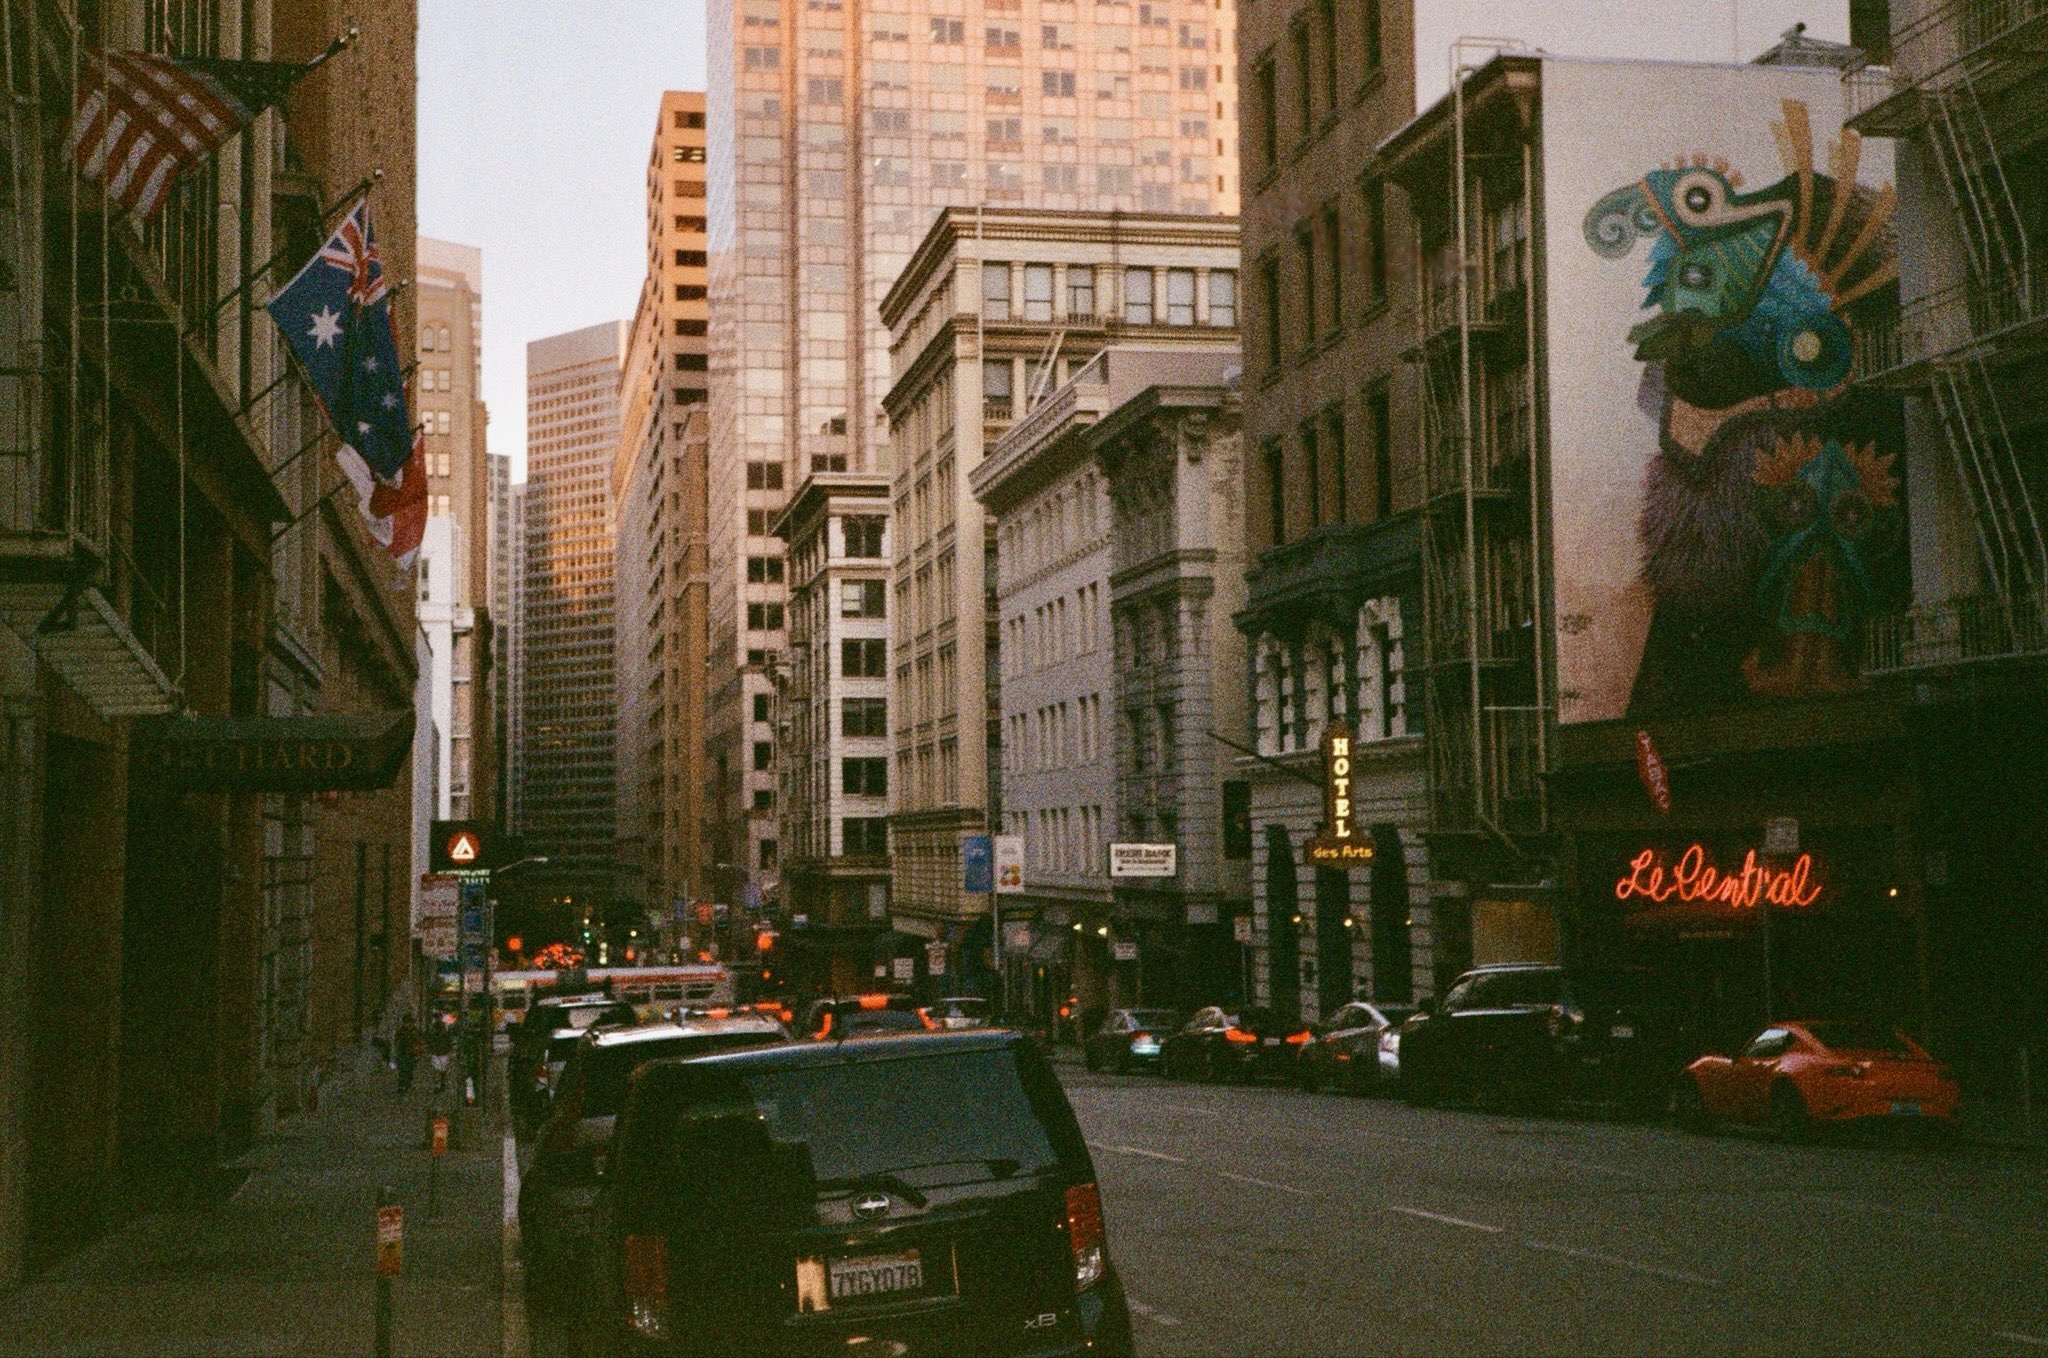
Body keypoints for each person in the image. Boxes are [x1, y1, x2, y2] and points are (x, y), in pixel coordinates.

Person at [426, 1015, 455, 1091]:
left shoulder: (434, 1033)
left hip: (438, 1053)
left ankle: (439, 1085)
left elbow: (430, 1043)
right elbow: (449, 1044)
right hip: (441, 1053)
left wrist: (429, 1052)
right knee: (441, 1070)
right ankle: (440, 1084)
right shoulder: (443, 1033)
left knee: (438, 1070)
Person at [395, 1014, 421, 1093]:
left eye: (410, 1023)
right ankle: (401, 1086)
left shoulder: (414, 1031)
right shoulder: (401, 1031)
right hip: (402, 1053)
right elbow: (397, 1042)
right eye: (407, 1023)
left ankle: (407, 1085)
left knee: (409, 1070)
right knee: (402, 1070)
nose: (409, 1024)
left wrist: (418, 1052)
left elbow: (418, 1041)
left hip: (411, 1053)